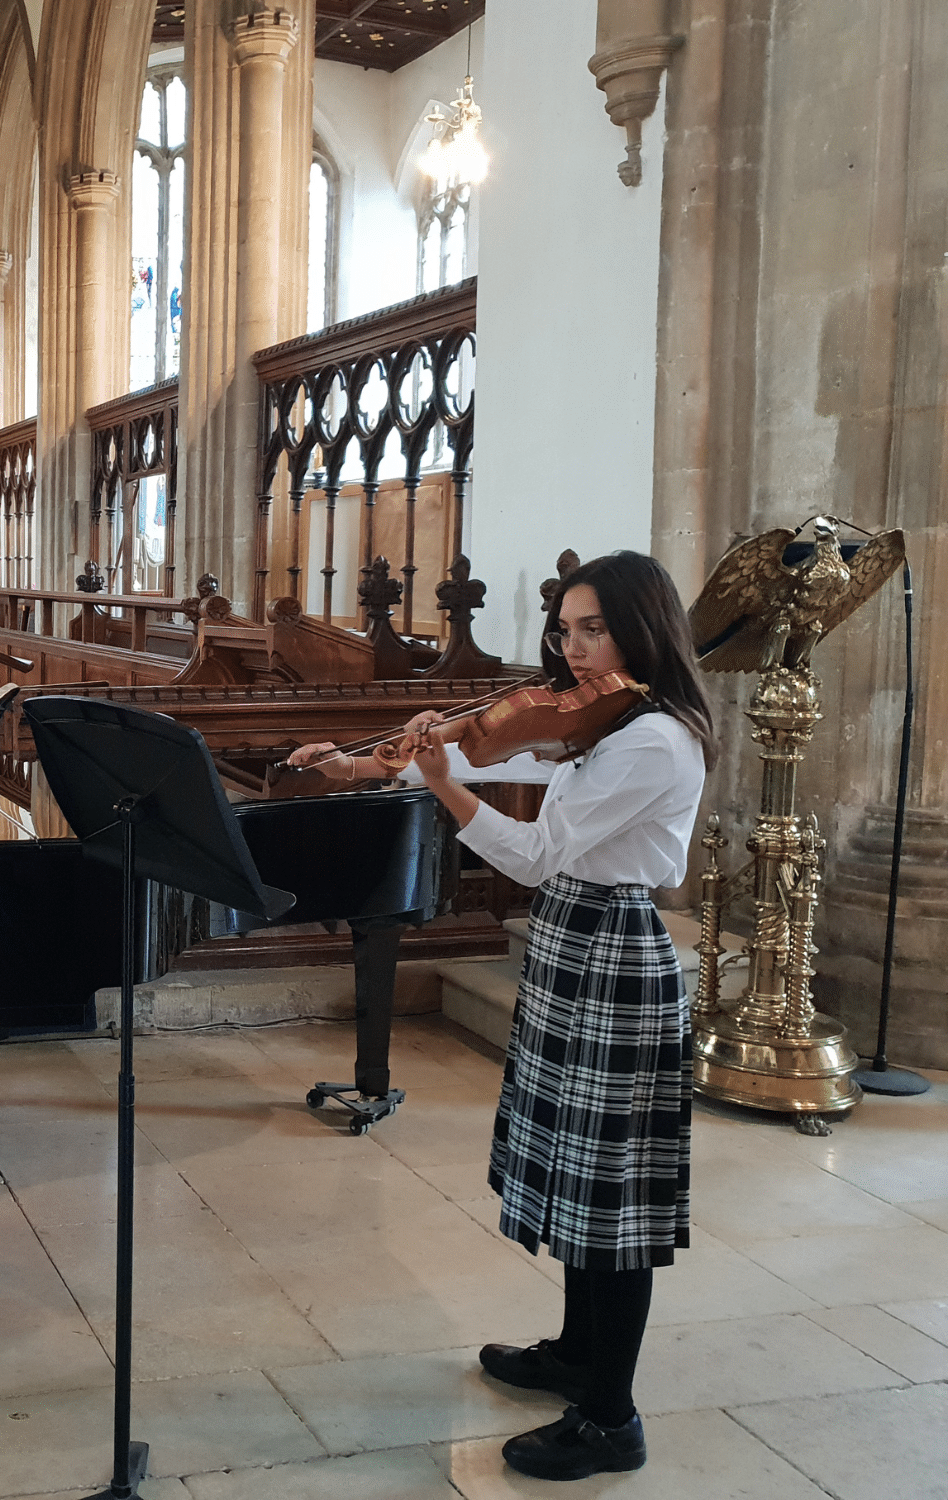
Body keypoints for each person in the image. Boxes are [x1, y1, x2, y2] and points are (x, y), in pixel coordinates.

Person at [288, 550, 714, 1481]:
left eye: (593, 628)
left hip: (613, 957)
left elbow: (530, 854)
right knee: (568, 1168)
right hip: (574, 945)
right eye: (565, 630)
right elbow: (506, 740)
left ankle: (611, 1416)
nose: (573, 650)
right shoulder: (605, 720)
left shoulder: (654, 739)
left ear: (643, 627)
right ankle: (575, 1353)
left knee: (611, 1198)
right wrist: (365, 761)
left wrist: (442, 786)